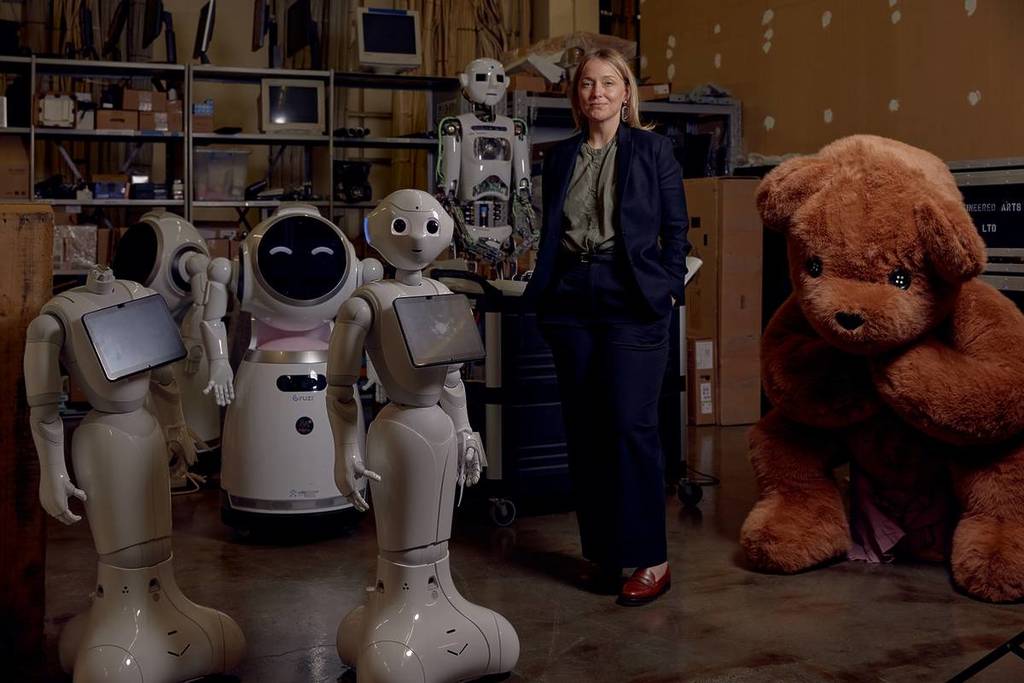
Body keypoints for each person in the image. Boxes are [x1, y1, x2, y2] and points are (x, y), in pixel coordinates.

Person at [524, 47, 690, 606]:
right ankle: (603, 554)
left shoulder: (653, 150)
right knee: (587, 431)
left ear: (626, 93)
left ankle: (651, 558)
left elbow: (675, 230)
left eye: (609, 83)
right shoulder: (560, 157)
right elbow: (553, 231)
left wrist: (666, 285)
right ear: (577, 95)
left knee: (629, 428)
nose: (597, 92)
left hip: (632, 299)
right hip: (572, 299)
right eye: (588, 84)